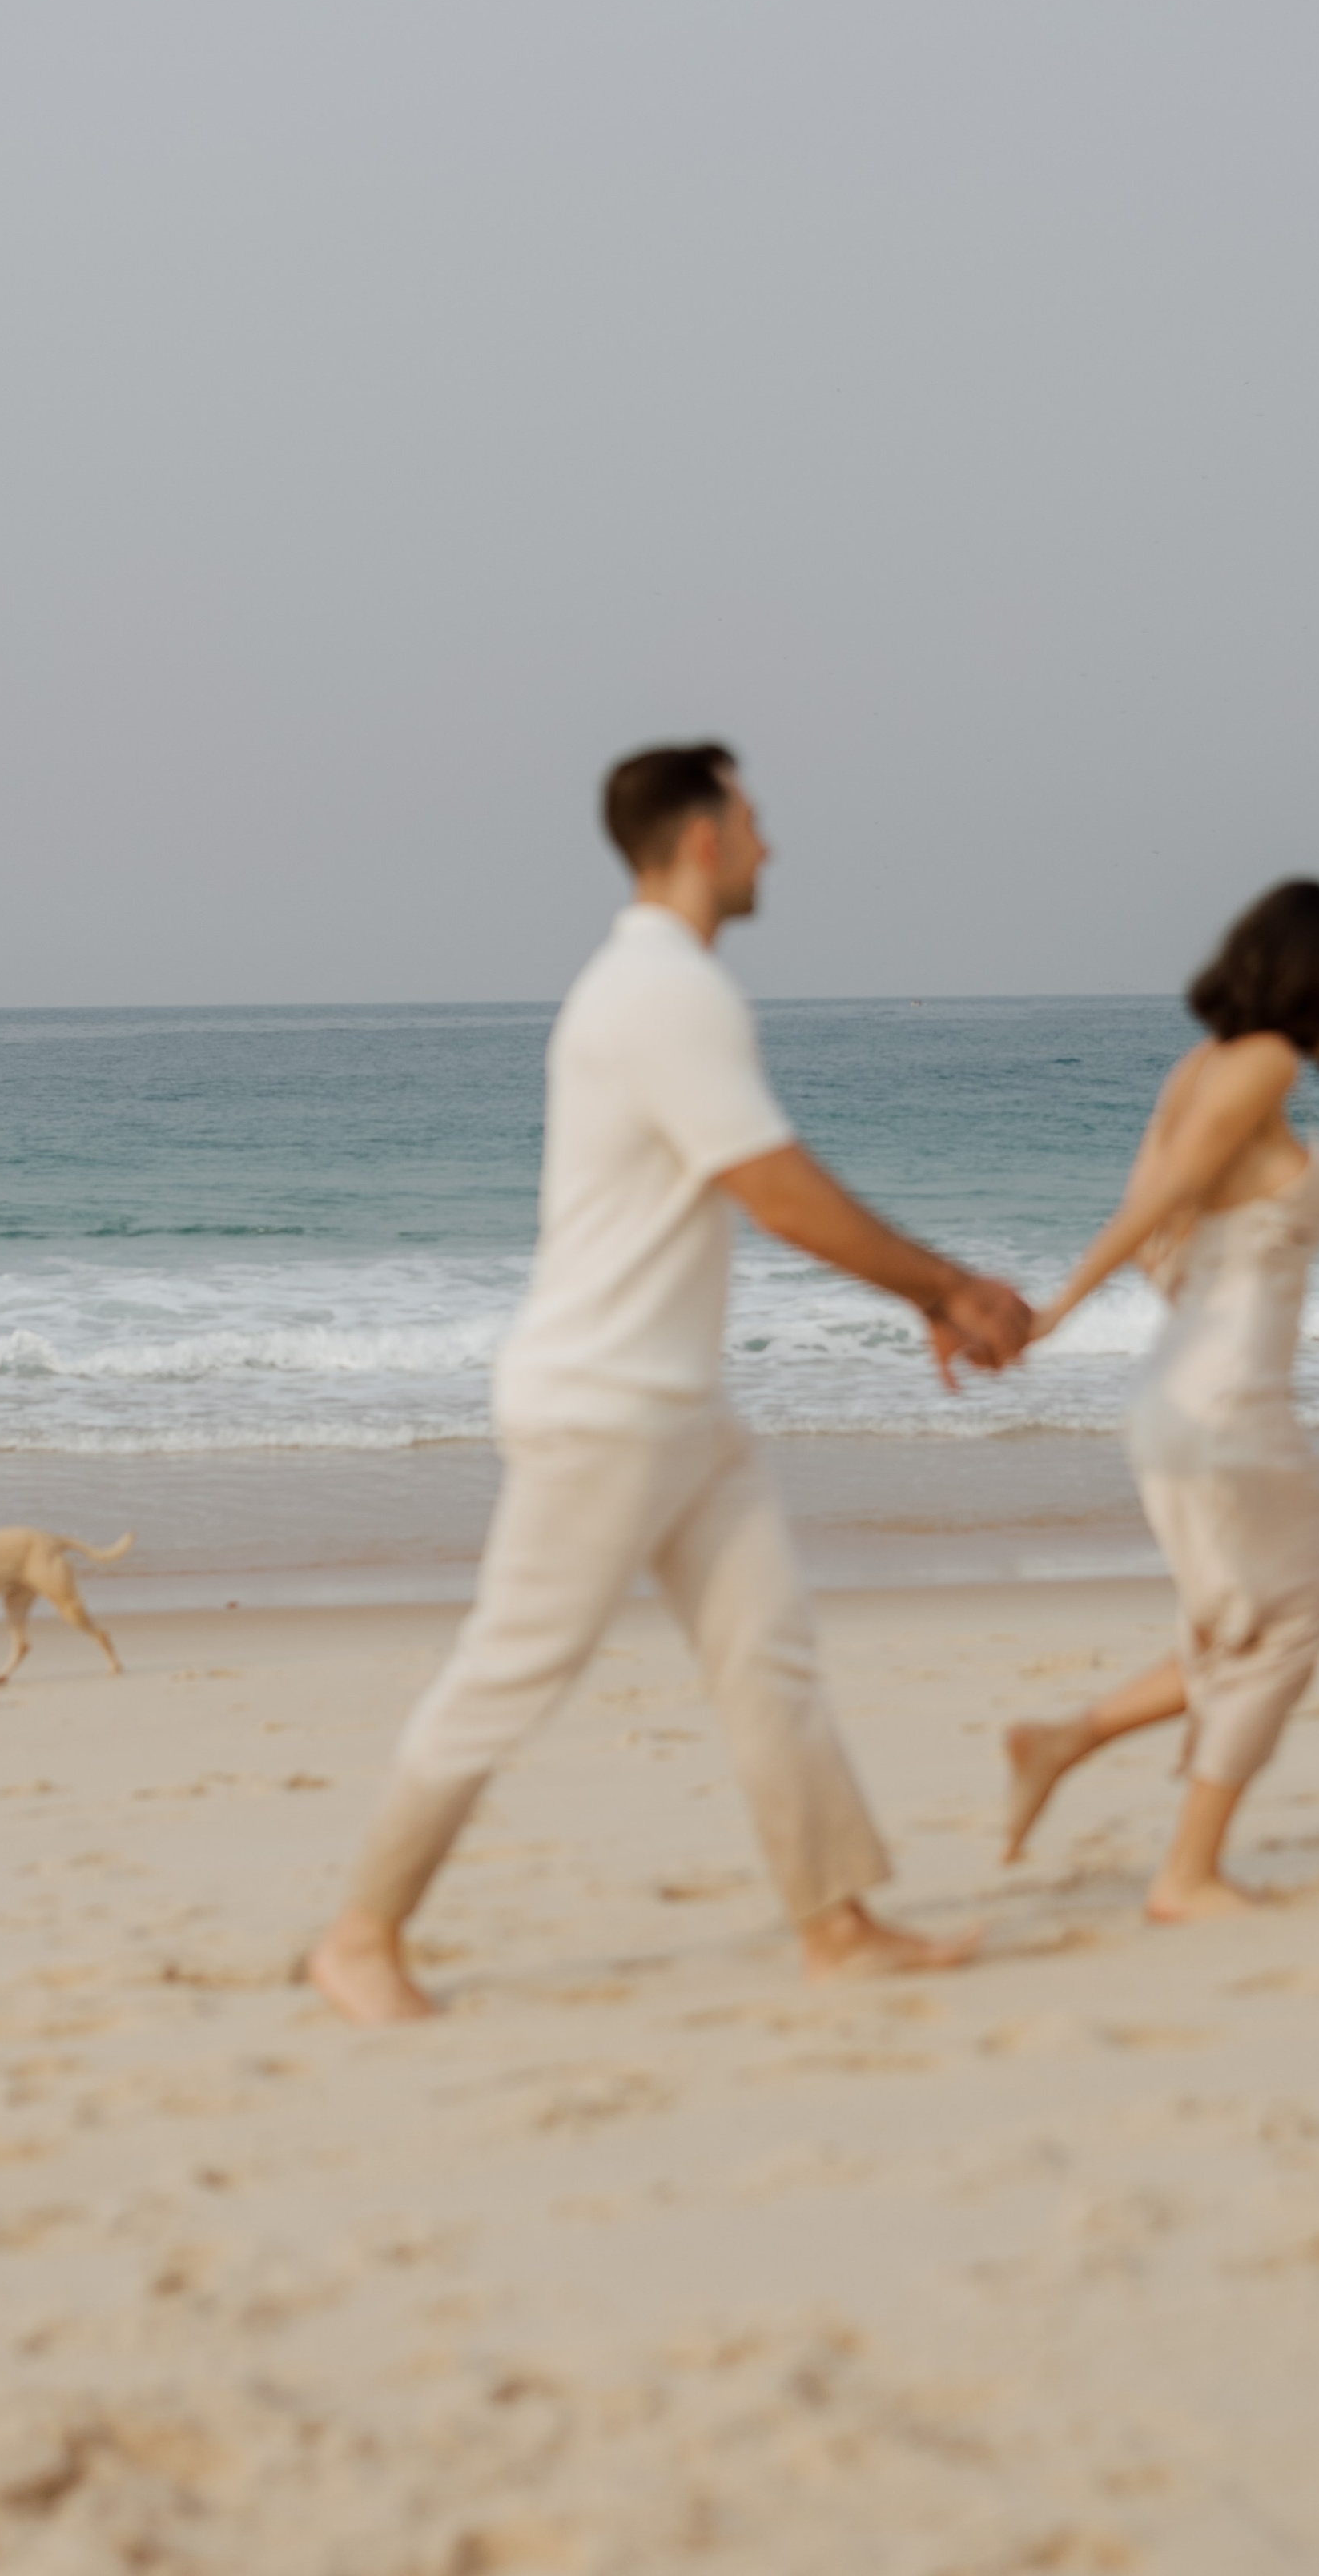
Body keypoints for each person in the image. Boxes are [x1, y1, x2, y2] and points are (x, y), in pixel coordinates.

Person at [311, 742, 1033, 2023]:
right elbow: (776, 1190)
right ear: (702, 838)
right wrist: (947, 1289)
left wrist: (934, 1289)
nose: (770, 846)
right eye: (755, 821)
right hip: (604, 1403)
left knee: (770, 1661)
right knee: (511, 1671)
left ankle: (839, 1927)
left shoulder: (659, 986)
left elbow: (757, 1188)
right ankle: (361, 1936)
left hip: (678, 1407)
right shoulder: (662, 991)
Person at [1001, 880, 1319, 1919]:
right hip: (1228, 1404)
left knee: (1236, 1622)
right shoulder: (1261, 1063)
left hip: (1175, 1397)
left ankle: (1064, 1742)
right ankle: (1188, 1874)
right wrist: (1053, 1313)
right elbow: (1156, 1206)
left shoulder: (1199, 1069)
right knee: (1294, 1619)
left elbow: (1162, 1236)